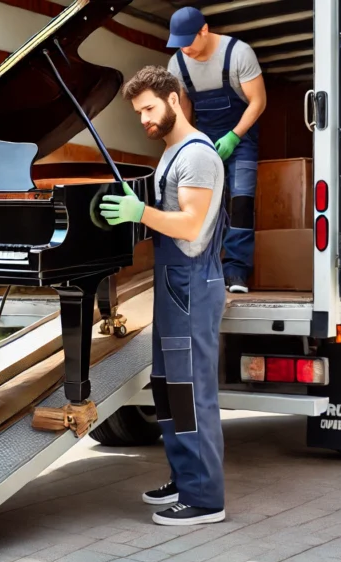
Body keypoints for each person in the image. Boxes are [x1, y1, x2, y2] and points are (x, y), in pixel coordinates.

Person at [99, 65, 227, 526]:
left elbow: (191, 225)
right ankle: (184, 476)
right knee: (168, 387)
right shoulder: (171, 152)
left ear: (174, 100)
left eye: (149, 108)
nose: (144, 119)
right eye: (138, 113)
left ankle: (205, 499)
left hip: (193, 284)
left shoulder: (196, 156)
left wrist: (141, 211)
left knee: (191, 392)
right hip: (175, 285)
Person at [166, 6, 266, 293]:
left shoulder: (238, 53)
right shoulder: (178, 63)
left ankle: (236, 271)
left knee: (241, 203)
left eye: (189, 41)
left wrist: (234, 136)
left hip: (241, 138)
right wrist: (186, 144)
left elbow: (258, 101)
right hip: (204, 140)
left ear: (204, 31)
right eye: (179, 43)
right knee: (204, 204)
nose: (184, 48)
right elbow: (183, 108)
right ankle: (205, 270)